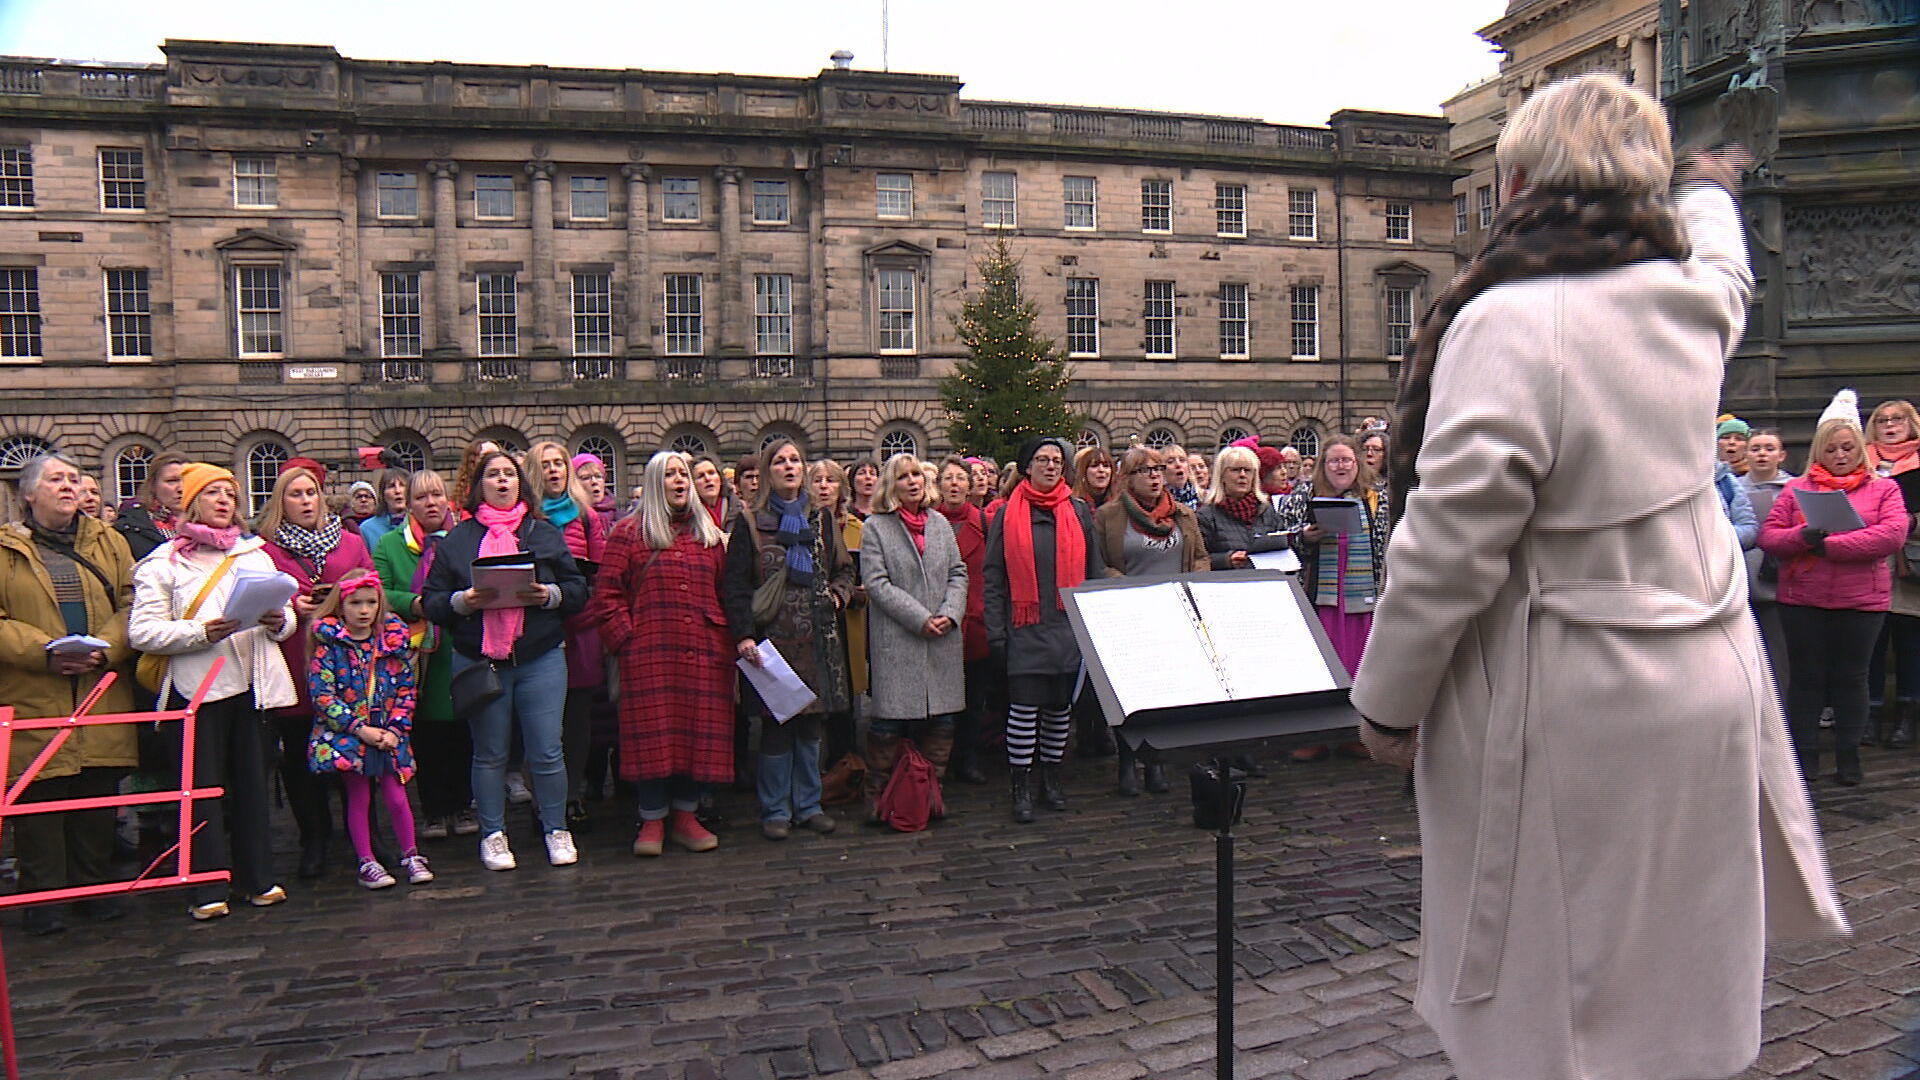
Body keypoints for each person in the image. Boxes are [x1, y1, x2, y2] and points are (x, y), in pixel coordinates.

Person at [1349, 74, 1845, 1080]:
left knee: (1562, 1003)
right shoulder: (1690, 304)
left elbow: (1449, 538)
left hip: (1569, 694)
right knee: (1678, 980)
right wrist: (1710, 187)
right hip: (1706, 683)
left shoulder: (1510, 320)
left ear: (1520, 178)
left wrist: (1388, 703)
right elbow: (1724, 262)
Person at [129, 463, 298, 920]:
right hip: (196, 692)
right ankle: (205, 885)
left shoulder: (255, 555)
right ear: (192, 503)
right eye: (214, 493)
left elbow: (286, 616)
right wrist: (199, 633)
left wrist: (279, 621)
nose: (225, 501)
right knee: (201, 791)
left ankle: (257, 878)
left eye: (231, 494)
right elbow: (142, 632)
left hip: (254, 687)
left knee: (251, 787)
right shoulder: (163, 563)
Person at [422, 450, 589, 871]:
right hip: (482, 660)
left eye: (509, 475)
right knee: (490, 751)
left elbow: (576, 588)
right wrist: (464, 601)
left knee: (547, 749)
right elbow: (433, 601)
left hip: (541, 654)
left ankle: (556, 828)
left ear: (520, 484)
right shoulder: (458, 540)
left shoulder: (543, 533)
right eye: (493, 475)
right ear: (479, 486)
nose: (501, 481)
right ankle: (493, 833)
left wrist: (548, 595)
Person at [0, 454, 139, 935]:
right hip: (35, 687)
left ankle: (92, 888)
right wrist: (44, 652)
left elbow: (132, 603)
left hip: (99, 685)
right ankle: (44, 897)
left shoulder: (110, 541)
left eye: (74, 479)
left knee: (96, 791)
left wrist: (107, 650)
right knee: (40, 795)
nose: (68, 487)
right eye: (55, 480)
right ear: (28, 494)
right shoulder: (4, 550)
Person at [1760, 390, 1909, 784]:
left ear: (1859, 447)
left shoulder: (1883, 489)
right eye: (1831, 449)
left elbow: (1891, 536)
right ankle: (1804, 754)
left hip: (1860, 601)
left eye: (1847, 447)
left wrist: (1827, 545)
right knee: (1806, 678)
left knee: (1851, 677)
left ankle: (1848, 755)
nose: (1840, 455)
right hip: (1803, 598)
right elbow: (1770, 537)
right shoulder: (1796, 490)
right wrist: (1802, 537)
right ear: (1817, 452)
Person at [589, 451, 731, 857]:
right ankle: (651, 817)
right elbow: (607, 597)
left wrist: (724, 640)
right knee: (653, 739)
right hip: (649, 655)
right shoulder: (628, 533)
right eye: (669, 474)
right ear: (654, 482)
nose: (679, 480)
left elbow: (724, 592)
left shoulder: (709, 535)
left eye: (682, 473)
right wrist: (628, 643)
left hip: (703, 651)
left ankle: (686, 816)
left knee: (694, 736)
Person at [723, 437, 855, 840]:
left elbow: (845, 570)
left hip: (818, 640)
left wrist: (838, 594)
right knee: (777, 730)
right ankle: (776, 810)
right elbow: (736, 586)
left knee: (811, 729)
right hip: (771, 642)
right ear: (767, 472)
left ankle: (809, 805)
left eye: (795, 460)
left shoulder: (823, 519)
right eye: (780, 461)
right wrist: (743, 635)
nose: (789, 467)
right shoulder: (750, 521)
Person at [256, 462, 375, 879]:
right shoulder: (265, 550)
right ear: (281, 502)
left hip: (347, 666)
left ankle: (365, 836)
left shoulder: (350, 543)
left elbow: (370, 589)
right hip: (294, 663)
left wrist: (340, 604)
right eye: (296, 494)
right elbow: (258, 603)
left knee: (356, 755)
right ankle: (314, 837)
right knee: (301, 758)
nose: (306, 501)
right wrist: (292, 608)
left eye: (311, 493)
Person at [984, 436, 1104, 823]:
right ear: (1027, 467)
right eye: (1041, 459)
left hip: (1067, 627)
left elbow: (1094, 573)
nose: (1051, 466)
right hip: (1025, 626)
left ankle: (1051, 779)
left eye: (1056, 460)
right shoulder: (1006, 514)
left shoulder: (1079, 511)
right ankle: (1020, 784)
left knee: (1057, 709)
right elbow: (993, 576)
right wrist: (996, 632)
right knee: (1023, 709)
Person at [859, 453, 969, 818]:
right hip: (899, 639)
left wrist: (950, 613)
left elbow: (958, 572)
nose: (913, 481)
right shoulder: (876, 526)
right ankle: (877, 795)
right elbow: (876, 583)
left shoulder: (938, 523)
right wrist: (920, 618)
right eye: (904, 476)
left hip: (942, 638)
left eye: (917, 475)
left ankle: (929, 791)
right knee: (888, 722)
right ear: (892, 484)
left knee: (943, 720)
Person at [307, 570, 432, 890]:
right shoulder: (329, 646)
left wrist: (396, 729)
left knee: (397, 794)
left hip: (388, 731)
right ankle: (366, 860)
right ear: (341, 605)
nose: (363, 610)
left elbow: (407, 688)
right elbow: (323, 695)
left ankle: (411, 853)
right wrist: (357, 728)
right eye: (355, 603)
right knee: (358, 796)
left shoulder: (393, 643)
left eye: (371, 603)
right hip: (351, 735)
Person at [1093, 446, 1207, 795]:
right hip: (1130, 616)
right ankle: (1128, 761)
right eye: (1146, 470)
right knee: (1130, 697)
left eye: (1159, 469)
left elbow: (1200, 558)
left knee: (1165, 694)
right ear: (1127, 478)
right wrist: (1126, 587)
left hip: (1174, 615)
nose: (1156, 475)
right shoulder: (1108, 516)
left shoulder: (1183, 515)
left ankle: (1156, 763)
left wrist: (1194, 584)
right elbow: (1097, 565)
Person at [371, 469, 473, 840]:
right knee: (427, 734)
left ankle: (463, 804)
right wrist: (416, 603)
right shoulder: (389, 545)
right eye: (421, 497)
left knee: (462, 731)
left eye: (435, 495)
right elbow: (379, 591)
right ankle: (433, 809)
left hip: (459, 643)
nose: (430, 503)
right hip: (414, 652)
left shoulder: (464, 538)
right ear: (408, 504)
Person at [1275, 436, 1386, 761]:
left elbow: (1388, 539)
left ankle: (1357, 734)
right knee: (1319, 670)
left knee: (1360, 669)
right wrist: (1304, 538)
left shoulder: (1375, 497)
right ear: (1324, 465)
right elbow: (1284, 537)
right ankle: (1315, 736)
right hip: (1320, 596)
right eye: (1334, 461)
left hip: (1363, 597)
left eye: (1347, 460)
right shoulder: (1302, 496)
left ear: (1358, 464)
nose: (1341, 466)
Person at [529, 440, 608, 830]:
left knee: (577, 719)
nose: (555, 470)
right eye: (546, 465)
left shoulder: (587, 517)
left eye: (560, 463)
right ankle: (543, 796)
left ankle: (572, 792)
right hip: (539, 631)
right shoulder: (526, 520)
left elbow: (603, 571)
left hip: (581, 628)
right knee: (542, 719)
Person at [1865, 398, 1920, 748]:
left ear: (1912, 423)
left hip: (1909, 565)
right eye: (1882, 419)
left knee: (1909, 643)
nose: (1890, 424)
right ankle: (1867, 715)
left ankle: (1906, 715)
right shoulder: (1860, 461)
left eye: (1898, 418)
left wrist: (1910, 523)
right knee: (1870, 643)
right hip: (1868, 564)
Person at [935, 456, 991, 784]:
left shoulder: (983, 522)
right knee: (943, 699)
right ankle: (940, 759)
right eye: (948, 478)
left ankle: (968, 758)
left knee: (974, 698)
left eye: (961, 478)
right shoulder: (928, 523)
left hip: (976, 623)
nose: (955, 484)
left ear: (970, 485)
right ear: (939, 485)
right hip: (941, 621)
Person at [810, 459, 865, 766]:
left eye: (830, 480)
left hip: (849, 619)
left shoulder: (858, 527)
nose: (823, 486)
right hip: (813, 622)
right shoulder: (800, 523)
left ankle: (847, 761)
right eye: (817, 480)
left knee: (849, 696)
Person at [1741, 428, 1796, 694]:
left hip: (1780, 587)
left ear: (1782, 455)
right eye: (1756, 448)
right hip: (1741, 585)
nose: (1762, 454)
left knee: (1778, 660)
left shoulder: (1795, 489)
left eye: (1769, 448)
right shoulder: (1731, 490)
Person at [1196, 445, 1289, 570]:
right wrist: (1226, 560)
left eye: (1248, 470)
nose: (1242, 475)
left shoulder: (1267, 511)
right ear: (1222, 475)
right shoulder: (1206, 516)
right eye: (1235, 470)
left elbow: (1283, 548)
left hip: (1265, 582)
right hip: (1227, 583)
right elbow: (1197, 560)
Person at [113, 450, 188, 562]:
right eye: (172, 481)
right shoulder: (130, 528)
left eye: (187, 480)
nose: (181, 488)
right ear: (153, 485)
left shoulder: (209, 525)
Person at [357, 468, 411, 553]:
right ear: (383, 494)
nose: (397, 491)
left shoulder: (421, 523)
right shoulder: (367, 529)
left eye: (402, 485)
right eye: (392, 486)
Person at [451, 439, 502, 512]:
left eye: (497, 455)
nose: (494, 460)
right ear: (473, 462)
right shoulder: (461, 500)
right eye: (486, 456)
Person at [691, 456, 737, 534]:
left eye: (711, 473)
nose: (708, 478)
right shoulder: (688, 515)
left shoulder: (738, 507)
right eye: (700, 476)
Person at [1072, 445, 1115, 511]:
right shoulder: (1073, 505)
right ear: (1083, 472)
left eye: (1106, 466)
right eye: (1094, 465)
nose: (1101, 470)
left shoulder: (1122, 504)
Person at [1162, 445, 1200, 511]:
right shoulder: (1157, 501)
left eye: (1182, 460)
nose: (1178, 464)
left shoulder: (1204, 498)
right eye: (1170, 461)